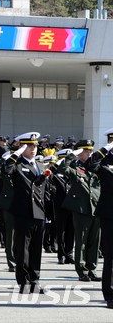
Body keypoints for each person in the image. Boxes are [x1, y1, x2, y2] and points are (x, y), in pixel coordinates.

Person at [3, 132, 49, 295]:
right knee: (23, 248)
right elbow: (6, 170)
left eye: (35, 146)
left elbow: (44, 191)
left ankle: (35, 280)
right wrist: (16, 153)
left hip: (39, 213)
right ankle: (23, 282)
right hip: (23, 212)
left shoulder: (41, 166)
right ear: (22, 147)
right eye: (29, 146)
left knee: (36, 248)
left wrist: (48, 213)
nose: (33, 149)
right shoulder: (16, 164)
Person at [59, 140, 101, 282]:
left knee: (94, 241)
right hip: (81, 209)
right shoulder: (75, 167)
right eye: (86, 150)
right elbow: (62, 168)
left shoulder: (96, 166)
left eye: (91, 150)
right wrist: (72, 155)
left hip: (96, 208)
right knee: (82, 241)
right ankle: (82, 270)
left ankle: (92, 269)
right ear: (79, 152)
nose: (89, 153)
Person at [84, 128, 113, 309]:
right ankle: (110, 294)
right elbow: (89, 167)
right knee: (111, 255)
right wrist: (105, 149)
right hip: (110, 214)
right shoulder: (104, 161)